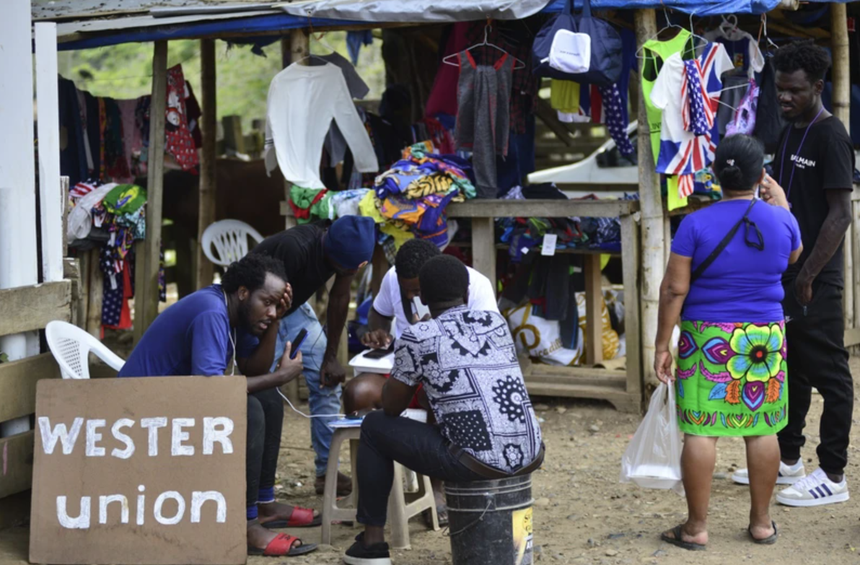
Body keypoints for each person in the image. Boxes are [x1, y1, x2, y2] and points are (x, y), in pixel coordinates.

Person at [342, 255, 544, 565]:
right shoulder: (497, 324)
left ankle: (372, 543)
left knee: (373, 426)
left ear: (421, 296)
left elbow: (393, 407)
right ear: (466, 294)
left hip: (475, 462)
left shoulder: (418, 335)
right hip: (530, 451)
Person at [654, 134, 803, 550]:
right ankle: (761, 523)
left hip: (707, 338)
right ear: (761, 176)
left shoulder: (694, 223)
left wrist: (661, 345)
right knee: (764, 428)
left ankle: (696, 527)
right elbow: (793, 256)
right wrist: (783, 203)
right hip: (764, 341)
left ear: (716, 175)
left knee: (701, 431)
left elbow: (673, 290)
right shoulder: (783, 220)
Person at [119, 254, 319, 557]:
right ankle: (246, 524)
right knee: (250, 410)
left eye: (277, 305)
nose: (270, 310)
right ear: (242, 293)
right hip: (136, 414)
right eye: (267, 302)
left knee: (267, 398)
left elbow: (253, 369)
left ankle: (264, 505)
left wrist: (276, 319)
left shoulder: (237, 314)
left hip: (168, 399)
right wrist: (280, 375)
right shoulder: (211, 311)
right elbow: (212, 392)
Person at [731, 40, 856, 507]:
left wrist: (808, 274)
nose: (783, 98)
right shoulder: (789, 132)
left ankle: (833, 474)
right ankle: (787, 459)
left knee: (830, 373)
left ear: (817, 87)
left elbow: (841, 214)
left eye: (794, 91)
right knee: (793, 368)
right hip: (787, 274)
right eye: (779, 89)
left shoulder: (831, 135)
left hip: (816, 277)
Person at [250, 215, 376, 496]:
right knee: (260, 394)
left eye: (348, 270)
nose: (343, 272)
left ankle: (327, 473)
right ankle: (253, 484)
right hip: (256, 311)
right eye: (339, 267)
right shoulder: (295, 249)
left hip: (291, 309)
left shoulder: (349, 252)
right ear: (327, 243)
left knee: (326, 378)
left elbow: (340, 297)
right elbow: (264, 305)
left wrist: (331, 356)